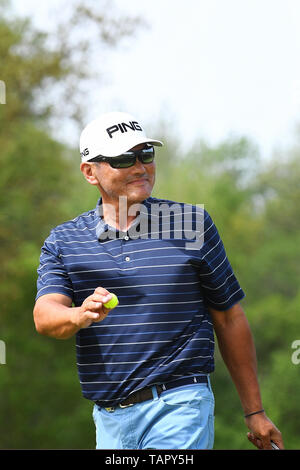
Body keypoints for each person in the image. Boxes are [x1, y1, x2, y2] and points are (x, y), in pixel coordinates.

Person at [33, 111, 284, 450]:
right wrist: (78, 314)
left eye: (146, 154)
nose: (140, 167)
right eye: (124, 158)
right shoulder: (65, 240)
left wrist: (254, 410)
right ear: (89, 172)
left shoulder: (191, 223)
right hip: (109, 418)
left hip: (180, 403)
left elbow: (229, 317)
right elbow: (45, 316)